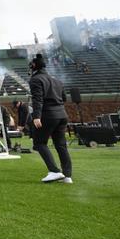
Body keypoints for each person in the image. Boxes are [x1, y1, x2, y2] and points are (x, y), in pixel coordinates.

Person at [29, 53, 72, 184]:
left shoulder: (36, 79)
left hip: (48, 115)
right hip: (62, 115)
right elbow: (64, 98)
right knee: (61, 146)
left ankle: (54, 171)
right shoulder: (57, 80)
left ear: (34, 66)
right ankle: (67, 176)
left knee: (39, 143)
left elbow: (38, 99)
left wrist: (36, 116)